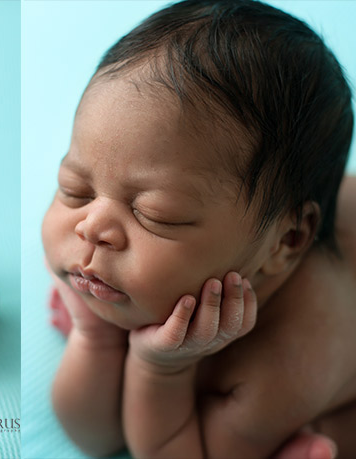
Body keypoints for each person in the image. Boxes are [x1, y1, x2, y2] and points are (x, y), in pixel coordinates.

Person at [42, 0, 355, 457]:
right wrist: (96, 336)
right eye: (75, 188)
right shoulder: (113, 243)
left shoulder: (285, 364)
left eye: (156, 214)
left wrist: (160, 369)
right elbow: (92, 435)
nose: (90, 228)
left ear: (284, 241)